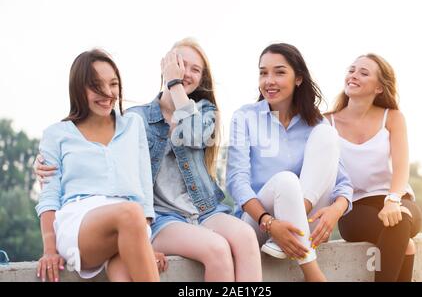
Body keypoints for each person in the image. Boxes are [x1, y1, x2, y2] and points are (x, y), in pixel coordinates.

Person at [35, 38, 262, 282]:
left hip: (192, 212)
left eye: (195, 69)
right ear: (165, 66)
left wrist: (175, 84)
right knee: (215, 248)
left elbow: (191, 137)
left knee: (245, 236)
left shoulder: (190, 114)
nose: (185, 72)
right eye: (179, 64)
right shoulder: (136, 119)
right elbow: (55, 187)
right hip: (152, 218)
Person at [226, 43, 353, 282]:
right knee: (286, 180)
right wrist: (270, 223)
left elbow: (343, 182)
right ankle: (314, 275)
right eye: (263, 73)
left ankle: (295, 223)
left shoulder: (317, 123)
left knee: (327, 135)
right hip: (258, 223)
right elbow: (237, 182)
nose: (269, 80)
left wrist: (336, 211)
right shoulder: (245, 117)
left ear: (298, 79)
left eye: (279, 72)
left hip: (304, 220)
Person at [35, 49, 160, 282]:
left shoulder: (134, 125)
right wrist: (49, 250)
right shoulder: (56, 134)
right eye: (96, 85)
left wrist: (144, 243)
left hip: (129, 226)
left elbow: (144, 192)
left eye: (113, 84)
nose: (107, 93)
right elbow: (49, 198)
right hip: (80, 224)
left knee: (122, 273)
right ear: (78, 89)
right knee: (130, 212)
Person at [326, 53, 422, 282]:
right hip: (353, 208)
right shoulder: (325, 122)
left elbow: (400, 167)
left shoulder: (393, 118)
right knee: (404, 243)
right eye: (352, 70)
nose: (354, 75)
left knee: (400, 222)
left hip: (397, 199)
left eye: (363, 72)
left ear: (379, 87)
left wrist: (392, 200)